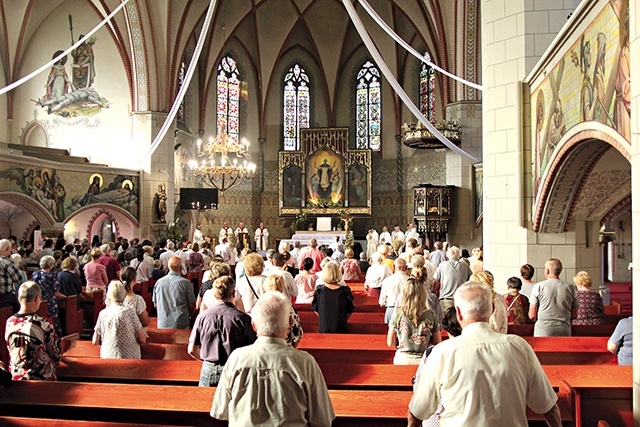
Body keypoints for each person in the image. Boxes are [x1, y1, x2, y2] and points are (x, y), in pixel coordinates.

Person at [408, 282, 562, 427]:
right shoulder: (519, 346)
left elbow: (418, 411)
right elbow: (548, 407)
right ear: (493, 308)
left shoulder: (443, 352)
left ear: (459, 313)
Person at [211, 291, 335, 425]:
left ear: (253, 325)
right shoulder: (305, 363)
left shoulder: (237, 358)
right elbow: (322, 419)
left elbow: (221, 411)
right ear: (289, 322)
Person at [189, 276, 256, 387]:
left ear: (215, 295)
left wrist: (206, 361)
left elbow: (191, 349)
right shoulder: (242, 318)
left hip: (209, 369)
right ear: (234, 294)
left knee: (206, 403)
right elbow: (253, 348)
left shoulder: (203, 317)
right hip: (235, 368)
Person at [5, 281, 61, 380]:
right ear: (37, 298)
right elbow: (56, 355)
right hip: (42, 378)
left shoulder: (9, 322)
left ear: (19, 299)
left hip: (16, 377)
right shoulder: (44, 323)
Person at [387, 277, 441, 365]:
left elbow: (390, 343)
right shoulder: (431, 315)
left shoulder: (397, 313)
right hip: (424, 360)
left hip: (402, 359)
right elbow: (437, 341)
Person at [93, 280, 147, 359]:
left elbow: (95, 341)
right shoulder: (130, 312)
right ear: (124, 295)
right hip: (130, 359)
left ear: (109, 296)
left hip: (107, 357)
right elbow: (142, 339)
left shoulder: (103, 314)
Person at [529, 258, 579, 336]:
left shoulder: (538, 286)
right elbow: (575, 314)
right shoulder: (570, 287)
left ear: (547, 271)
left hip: (543, 329)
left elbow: (532, 315)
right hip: (564, 328)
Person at [152, 256, 196, 329]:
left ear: (168, 267)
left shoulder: (159, 282)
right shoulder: (186, 283)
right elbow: (192, 305)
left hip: (163, 323)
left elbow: (155, 304)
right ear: (181, 267)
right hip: (181, 324)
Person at [312, 262, 354, 333]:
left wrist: (325, 317)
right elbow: (349, 310)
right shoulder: (345, 291)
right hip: (340, 326)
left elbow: (315, 309)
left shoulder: (320, 291)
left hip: (324, 326)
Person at [263, 274, 303, 347]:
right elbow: (297, 335)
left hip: (264, 348)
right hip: (285, 347)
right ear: (282, 289)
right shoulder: (290, 308)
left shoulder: (259, 307)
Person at [31, 255, 64, 336]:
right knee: (53, 321)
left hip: (38, 301)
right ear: (50, 265)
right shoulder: (51, 276)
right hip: (50, 301)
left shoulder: (35, 274)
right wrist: (64, 296)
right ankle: (55, 338)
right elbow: (56, 292)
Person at [433, 246, 472, 312]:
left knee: (446, 320)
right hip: (461, 298)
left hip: (446, 299)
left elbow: (436, 281)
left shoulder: (442, 265)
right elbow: (471, 279)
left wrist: (435, 293)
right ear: (459, 255)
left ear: (447, 256)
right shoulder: (465, 265)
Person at [379, 258, 409, 323]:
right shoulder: (410, 281)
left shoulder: (387, 280)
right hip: (406, 310)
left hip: (391, 308)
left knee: (390, 332)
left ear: (394, 267)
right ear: (406, 267)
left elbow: (382, 301)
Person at [0, 238, 22, 311]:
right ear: (7, 249)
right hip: (5, 297)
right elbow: (18, 278)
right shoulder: (6, 263)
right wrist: (12, 261)